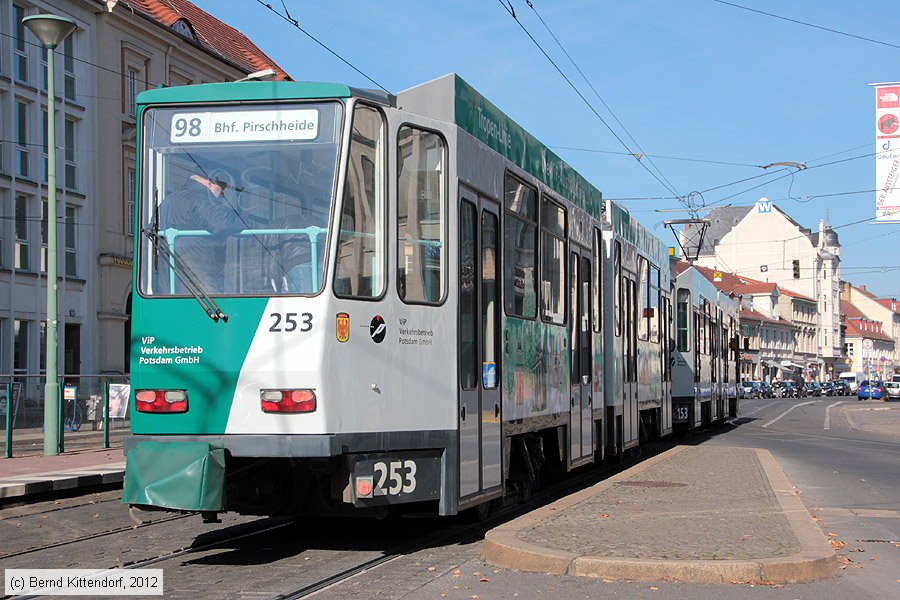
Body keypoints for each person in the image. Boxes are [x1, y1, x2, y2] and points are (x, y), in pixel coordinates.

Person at [158, 172, 245, 292]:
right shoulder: (200, 200)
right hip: (199, 277)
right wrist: (244, 219)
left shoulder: (166, 202)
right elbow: (223, 222)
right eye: (221, 189)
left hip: (167, 277)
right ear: (210, 184)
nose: (221, 194)